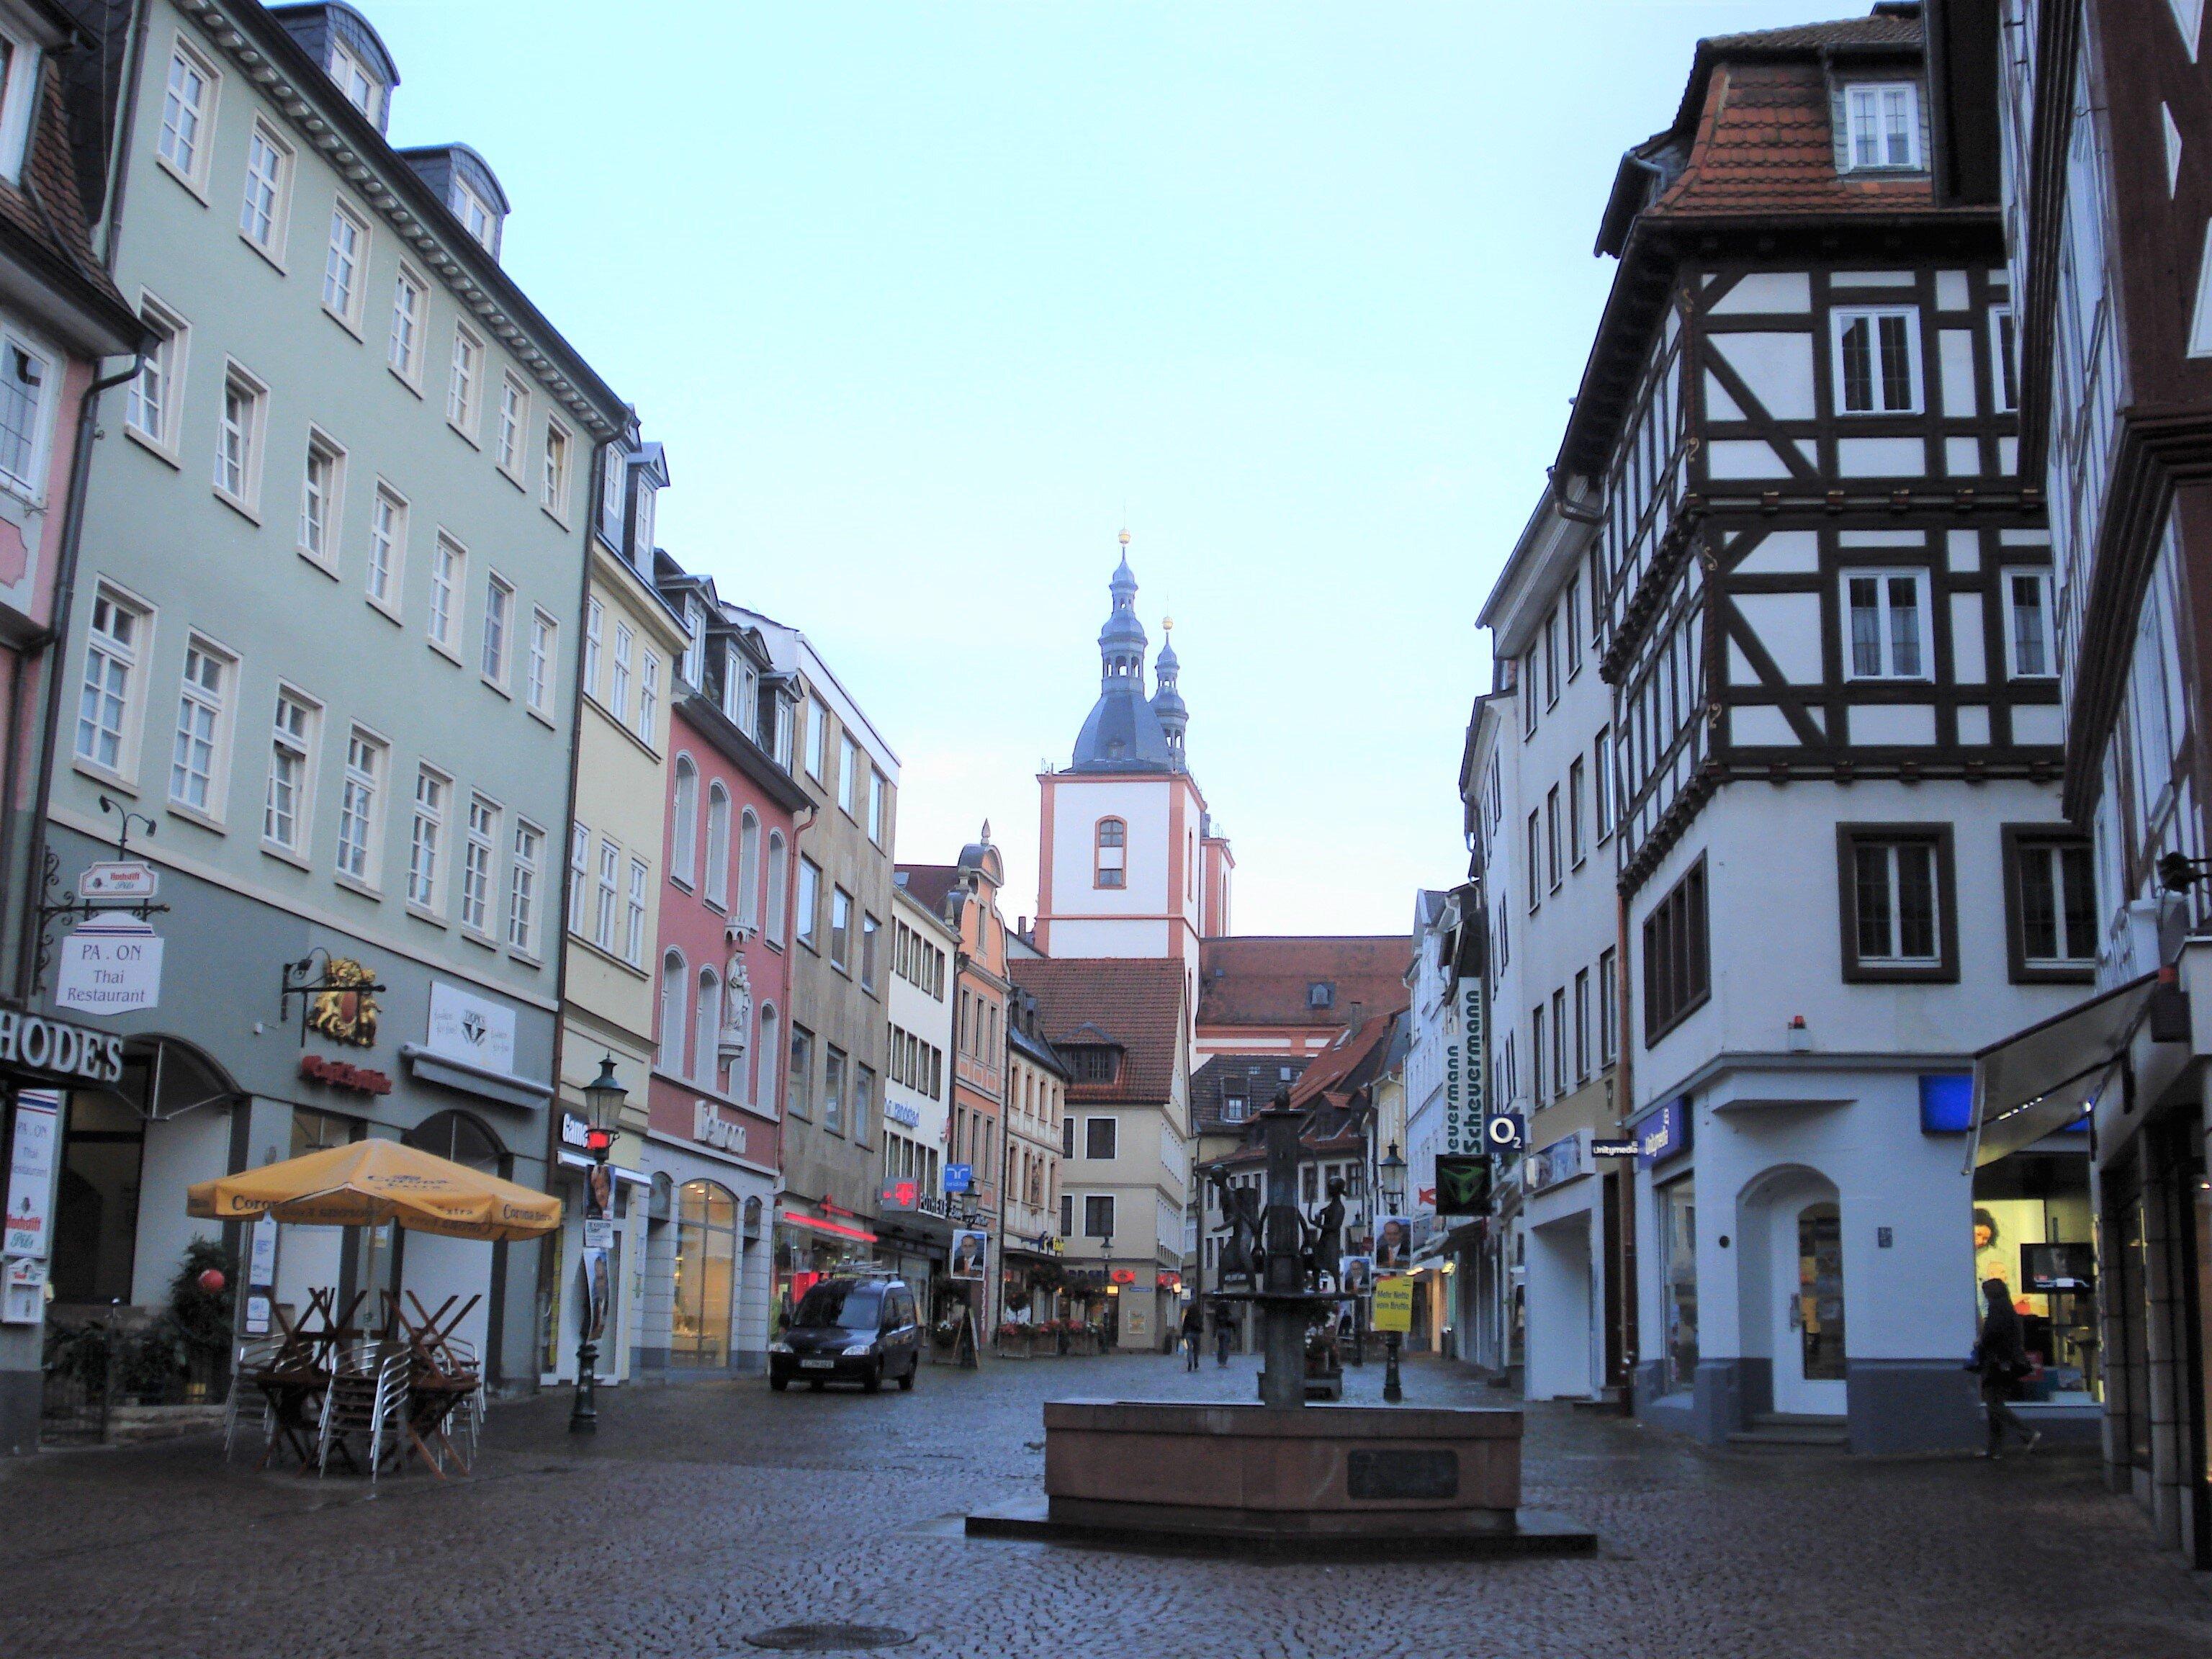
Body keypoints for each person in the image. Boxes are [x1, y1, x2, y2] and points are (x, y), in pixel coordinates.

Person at [1977, 1277, 2041, 1459]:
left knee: (1994, 1405)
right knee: (1994, 1405)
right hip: (2003, 1362)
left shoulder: (1997, 1310)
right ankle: (1995, 1450)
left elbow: (1991, 1335)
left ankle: (2027, 1433)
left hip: (1996, 1363)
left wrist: (1980, 1342)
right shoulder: (2008, 1309)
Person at [1180, 1300, 1202, 1371]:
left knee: (1190, 1349)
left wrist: (1183, 1335)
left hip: (1188, 1333)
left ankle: (1190, 1364)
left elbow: (1185, 1326)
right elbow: (1201, 1325)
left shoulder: (1187, 1316)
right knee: (1196, 1349)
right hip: (1196, 1334)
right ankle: (1196, 1364)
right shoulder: (1199, 1316)